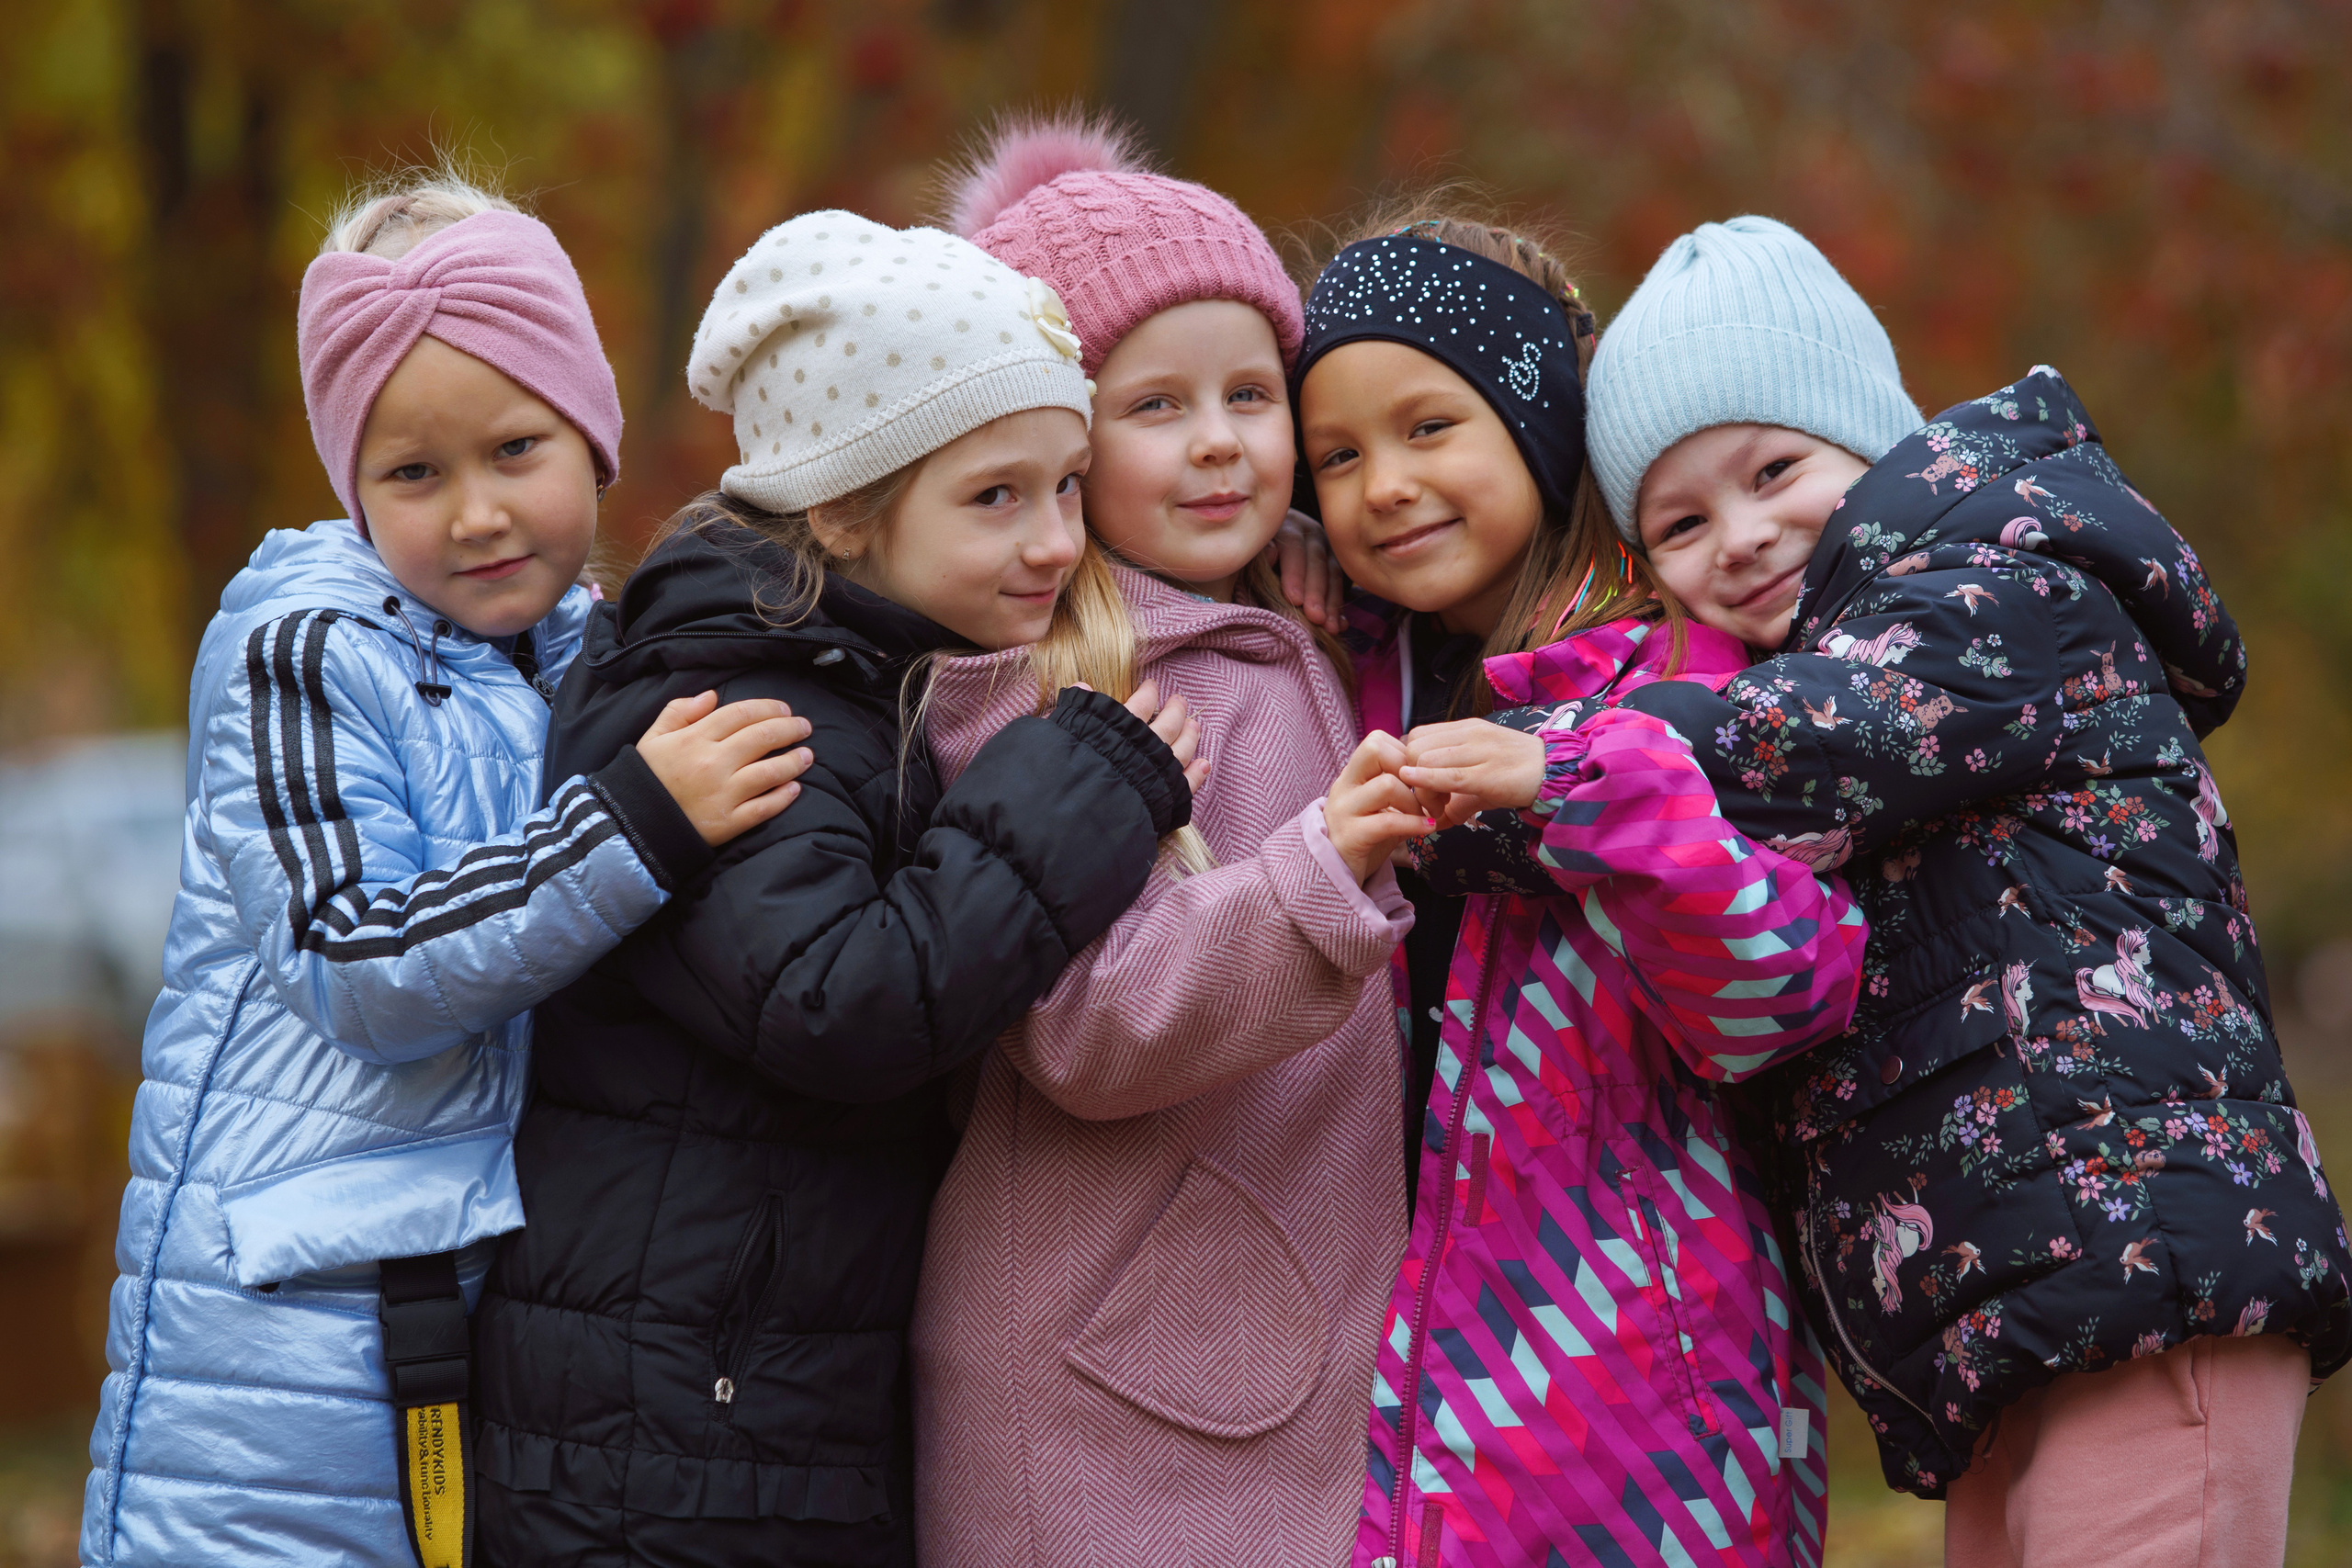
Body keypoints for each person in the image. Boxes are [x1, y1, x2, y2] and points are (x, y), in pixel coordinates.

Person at [1565, 214, 2352, 1567]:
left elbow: (1787, 742)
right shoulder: (1842, 657)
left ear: (1873, 444)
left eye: (1774, 469)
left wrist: (1516, 775)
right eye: (1681, 522)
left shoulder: (1995, 594)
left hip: (2151, 1282)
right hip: (2016, 1317)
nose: (1741, 536)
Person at [80, 172, 812, 1568]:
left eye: (515, 448)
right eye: (414, 475)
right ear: (354, 492)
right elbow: (355, 958)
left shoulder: (594, 654)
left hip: (483, 1312)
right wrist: (635, 826)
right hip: (285, 1338)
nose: (476, 513)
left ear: (593, 437)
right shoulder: (306, 655)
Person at [468, 209, 1201, 1567]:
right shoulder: (739, 706)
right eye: (995, 498)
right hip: (667, 1448)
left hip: (742, 1418)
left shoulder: (853, 673)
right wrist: (1084, 789)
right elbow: (841, 997)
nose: (1057, 542)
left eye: (1068, 485)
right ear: (846, 507)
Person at [1295, 212, 1868, 1568]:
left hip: (1639, 1406)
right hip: (1386, 1398)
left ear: (1542, 427)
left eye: (1430, 427)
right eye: (1338, 458)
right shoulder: (1345, 681)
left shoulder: (1680, 679)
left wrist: (1585, 792)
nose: (1383, 486)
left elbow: (1779, 995)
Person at [909, 118, 1424, 1568]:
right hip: (1122, 1388)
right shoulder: (1041, 689)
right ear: (1056, 450)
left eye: (1250, 394)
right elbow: (1082, 1024)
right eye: (1155, 405)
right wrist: (1315, 877)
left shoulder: (1282, 624)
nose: (1218, 441)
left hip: (1275, 1348)